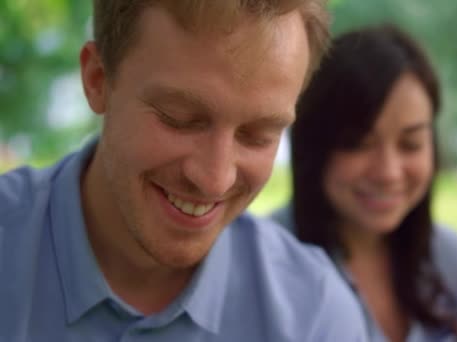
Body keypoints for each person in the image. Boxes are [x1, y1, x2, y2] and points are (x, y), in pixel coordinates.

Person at [0, 1, 370, 341]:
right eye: (179, 120)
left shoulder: (314, 316)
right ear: (98, 80)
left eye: (257, 136)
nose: (215, 178)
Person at [270, 24, 457, 342]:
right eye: (359, 143)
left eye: (411, 144)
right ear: (313, 145)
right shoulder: (258, 268)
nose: (388, 172)